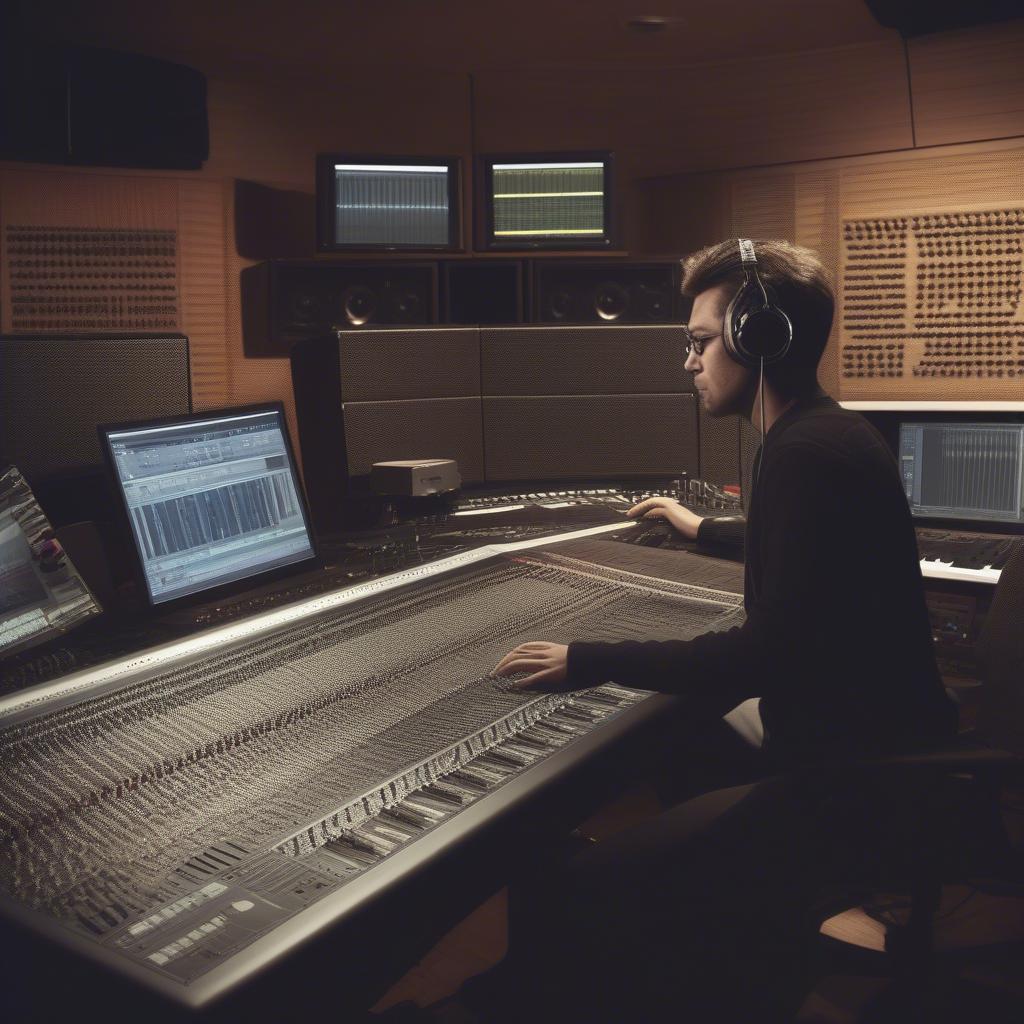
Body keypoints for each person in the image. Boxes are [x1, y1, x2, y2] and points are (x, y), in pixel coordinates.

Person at [478, 239, 958, 1021]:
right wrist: (703, 528)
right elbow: (801, 542)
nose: (690, 363)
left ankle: (711, 930)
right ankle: (746, 914)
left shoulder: (802, 456)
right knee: (681, 736)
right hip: (874, 730)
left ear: (759, 340)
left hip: (847, 765)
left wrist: (587, 657)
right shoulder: (824, 432)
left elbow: (760, 655)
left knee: (582, 874)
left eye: (701, 343)